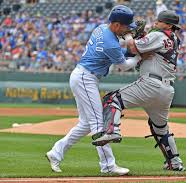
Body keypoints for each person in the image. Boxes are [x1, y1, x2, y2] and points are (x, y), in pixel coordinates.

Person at [45, 5, 142, 175]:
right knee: (98, 124)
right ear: (117, 25)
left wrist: (129, 46)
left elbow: (119, 49)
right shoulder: (111, 43)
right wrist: (139, 56)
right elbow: (124, 66)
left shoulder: (102, 28)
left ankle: (55, 153)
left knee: (85, 124)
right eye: (126, 26)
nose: (128, 29)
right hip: (85, 78)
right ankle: (108, 166)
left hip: (82, 75)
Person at [92, 10, 185, 171]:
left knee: (112, 99)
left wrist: (129, 35)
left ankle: (113, 130)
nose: (156, 23)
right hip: (167, 89)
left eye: (160, 21)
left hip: (151, 83)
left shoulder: (159, 35)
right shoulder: (174, 39)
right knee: (160, 127)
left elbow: (133, 48)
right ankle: (175, 162)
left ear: (169, 25)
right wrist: (141, 37)